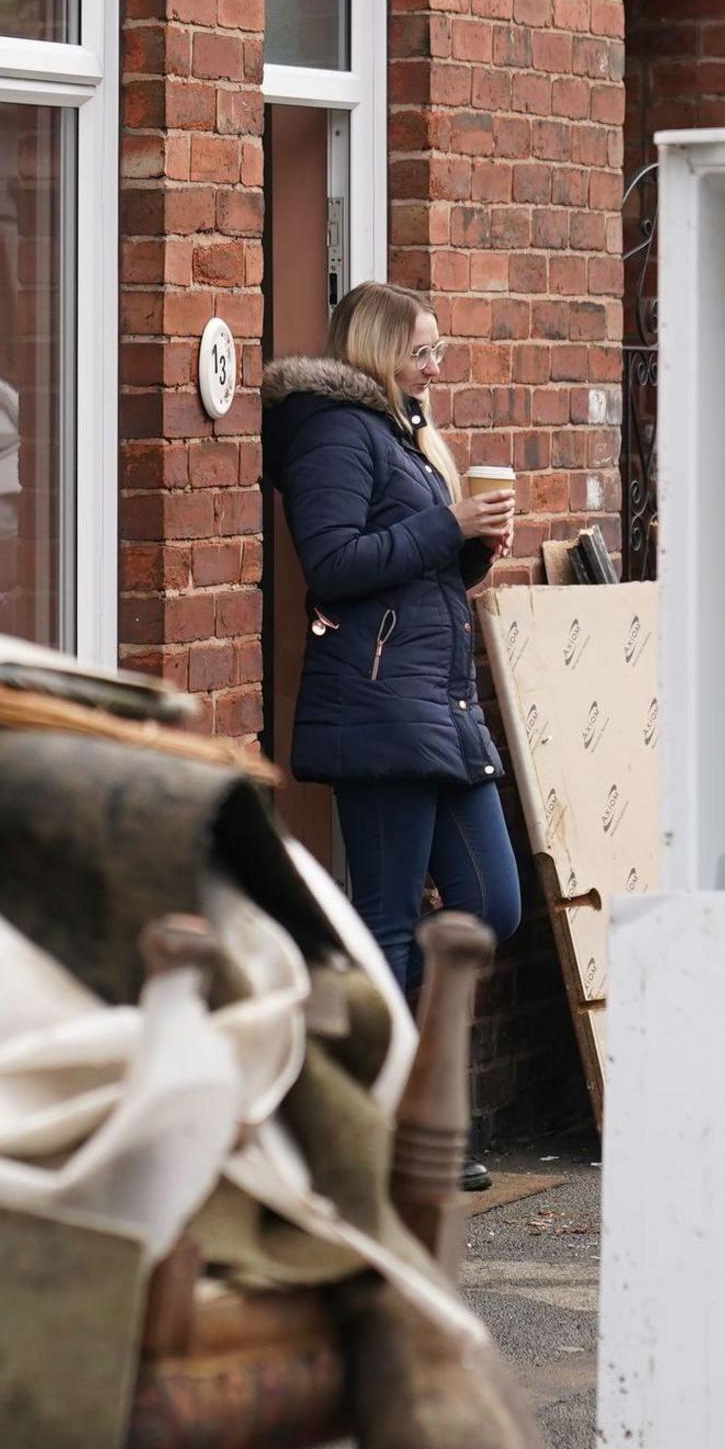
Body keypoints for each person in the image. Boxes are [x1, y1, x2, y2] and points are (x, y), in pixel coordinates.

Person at [265, 284, 528, 1138]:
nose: (436, 366)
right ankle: (380, 1123)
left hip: (435, 701)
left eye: (439, 350)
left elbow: (417, 571)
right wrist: (447, 523)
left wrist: (472, 550)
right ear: (379, 350)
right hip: (380, 706)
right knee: (384, 912)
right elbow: (336, 561)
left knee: (492, 905)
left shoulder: (404, 435)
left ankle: (359, 1066)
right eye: (423, 351)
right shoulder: (334, 430)